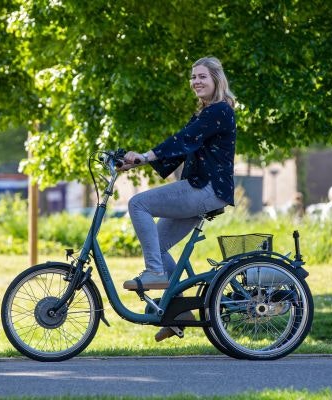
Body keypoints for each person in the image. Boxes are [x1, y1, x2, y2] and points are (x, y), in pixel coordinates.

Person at [118, 56, 237, 341]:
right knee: (156, 244)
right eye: (193, 77)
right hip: (202, 188)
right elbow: (184, 148)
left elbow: (183, 139)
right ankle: (180, 313)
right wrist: (137, 162)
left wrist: (146, 156)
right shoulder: (205, 113)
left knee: (138, 203)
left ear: (216, 80)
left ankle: (154, 273)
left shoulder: (219, 111)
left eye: (202, 77)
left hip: (206, 189)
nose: (196, 81)